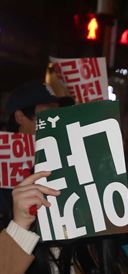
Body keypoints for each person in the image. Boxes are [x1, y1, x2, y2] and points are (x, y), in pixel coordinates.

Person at [1, 80, 72, 228]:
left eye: (57, 112)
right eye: (47, 113)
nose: (55, 120)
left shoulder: (60, 157)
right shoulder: (3, 167)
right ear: (20, 117)